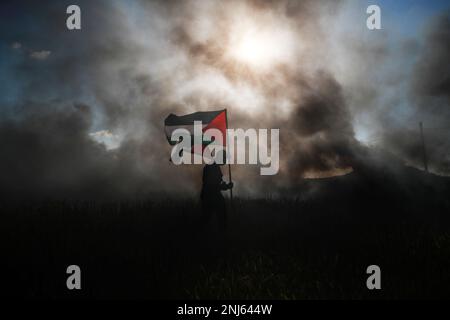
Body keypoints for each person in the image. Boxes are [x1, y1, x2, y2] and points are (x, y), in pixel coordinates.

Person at [200, 162, 233, 229]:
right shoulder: (212, 168)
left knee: (206, 217)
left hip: (208, 194)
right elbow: (214, 185)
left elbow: (217, 181)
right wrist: (226, 186)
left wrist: (224, 185)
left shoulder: (211, 167)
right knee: (216, 215)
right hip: (211, 195)